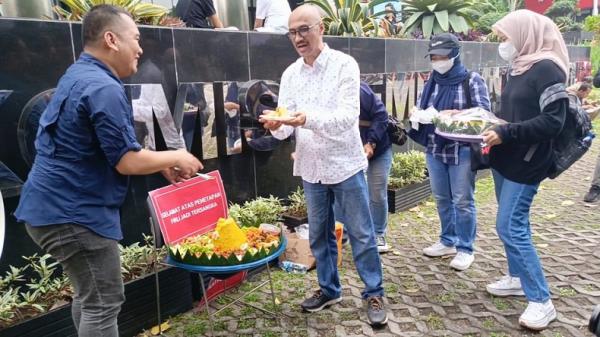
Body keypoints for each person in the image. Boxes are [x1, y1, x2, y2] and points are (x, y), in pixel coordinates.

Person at [14, 5, 203, 336]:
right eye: (136, 38)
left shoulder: (77, 76)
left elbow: (109, 148)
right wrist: (176, 154)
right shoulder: (103, 86)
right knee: (103, 304)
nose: (140, 48)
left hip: (51, 211)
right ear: (111, 39)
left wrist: (161, 165)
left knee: (91, 299)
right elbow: (126, 160)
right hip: (74, 215)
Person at [259, 4, 387, 326]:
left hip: (345, 164)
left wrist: (306, 118)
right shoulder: (290, 74)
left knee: (361, 232)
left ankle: (374, 291)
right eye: (292, 32)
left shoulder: (345, 65)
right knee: (319, 234)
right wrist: (279, 127)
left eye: (304, 29)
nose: (298, 38)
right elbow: (288, 124)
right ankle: (329, 289)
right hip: (311, 166)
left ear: (322, 28)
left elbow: (347, 118)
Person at [481, 9, 570, 330]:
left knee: (510, 226)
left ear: (525, 33)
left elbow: (553, 121)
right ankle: (517, 277)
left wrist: (505, 132)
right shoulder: (520, 67)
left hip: (528, 161)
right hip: (506, 159)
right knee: (513, 225)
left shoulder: (547, 69)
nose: (504, 43)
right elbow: (515, 112)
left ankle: (541, 301)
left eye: (506, 37)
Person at [411, 33, 490, 271]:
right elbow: (423, 106)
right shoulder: (431, 81)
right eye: (433, 56)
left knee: (463, 200)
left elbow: (482, 114)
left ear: (454, 54)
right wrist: (419, 114)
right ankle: (448, 240)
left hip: (461, 149)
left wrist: (453, 115)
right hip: (435, 147)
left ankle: (465, 248)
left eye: (442, 56)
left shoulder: (471, 80)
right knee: (442, 198)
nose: (437, 60)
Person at [337, 81, 393, 253]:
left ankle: (377, 233)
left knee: (376, 193)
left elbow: (381, 116)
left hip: (377, 149)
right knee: (342, 192)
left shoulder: (359, 90)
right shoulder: (323, 95)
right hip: (348, 151)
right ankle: (341, 233)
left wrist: (371, 142)